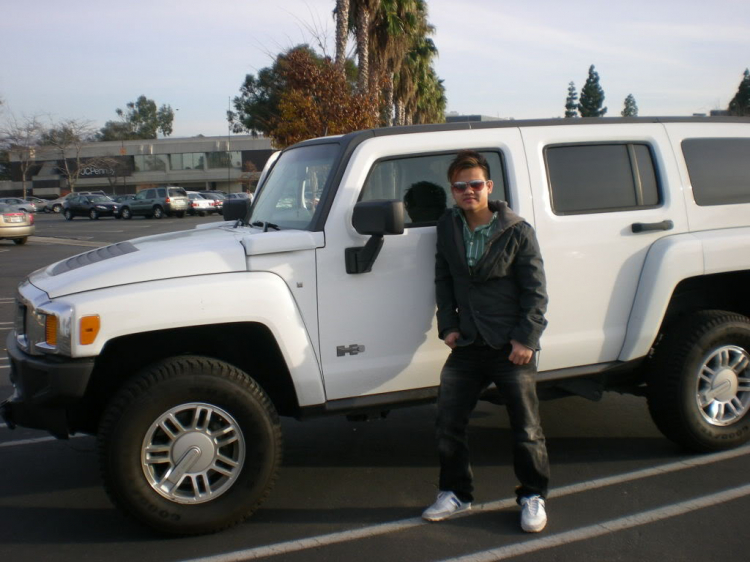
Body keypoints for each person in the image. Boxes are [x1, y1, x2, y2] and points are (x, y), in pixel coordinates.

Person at [422, 150, 550, 533]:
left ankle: (532, 496)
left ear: (489, 187)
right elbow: (443, 279)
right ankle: (456, 494)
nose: (468, 191)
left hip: (511, 346)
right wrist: (447, 326)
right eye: (460, 186)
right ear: (453, 191)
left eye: (475, 184)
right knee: (448, 422)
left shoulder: (517, 230)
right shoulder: (448, 226)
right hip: (469, 345)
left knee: (526, 429)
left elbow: (535, 292)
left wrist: (526, 338)